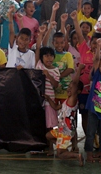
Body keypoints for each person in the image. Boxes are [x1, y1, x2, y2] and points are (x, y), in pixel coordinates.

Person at [45, 62, 84, 166]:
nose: (69, 89)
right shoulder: (66, 101)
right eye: (69, 87)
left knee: (59, 155)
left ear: (77, 92)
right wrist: (49, 99)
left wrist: (79, 69)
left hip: (66, 131)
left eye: (71, 88)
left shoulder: (72, 100)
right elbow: (56, 107)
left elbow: (75, 83)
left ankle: (76, 156)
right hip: (61, 129)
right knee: (48, 136)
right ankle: (62, 147)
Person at [34, 25, 60, 154]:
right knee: (40, 124)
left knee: (50, 126)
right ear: (42, 58)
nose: (48, 58)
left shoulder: (55, 70)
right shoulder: (38, 65)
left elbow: (56, 85)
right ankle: (41, 147)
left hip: (50, 102)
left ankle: (51, 147)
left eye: (51, 56)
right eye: (46, 56)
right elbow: (38, 48)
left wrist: (48, 75)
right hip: (39, 101)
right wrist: (41, 34)